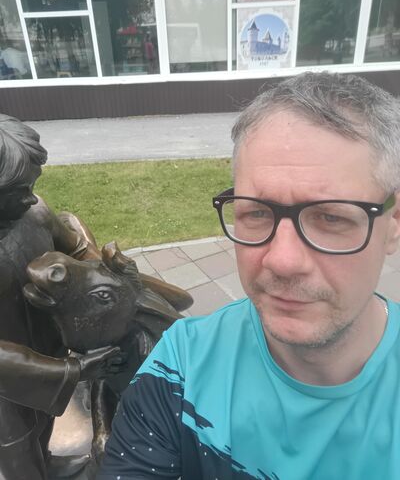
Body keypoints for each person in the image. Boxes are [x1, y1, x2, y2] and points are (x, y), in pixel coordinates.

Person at [98, 72, 400, 480]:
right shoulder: (182, 366)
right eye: (257, 212)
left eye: (330, 217)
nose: (283, 261)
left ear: (393, 224)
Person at [0, 114, 123, 480]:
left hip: (48, 350)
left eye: (32, 185)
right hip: (7, 383)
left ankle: (48, 462)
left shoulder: (35, 213)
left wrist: (103, 270)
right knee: (17, 444)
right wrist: (73, 371)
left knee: (43, 420)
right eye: (17, 191)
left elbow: (76, 249)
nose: (31, 197)